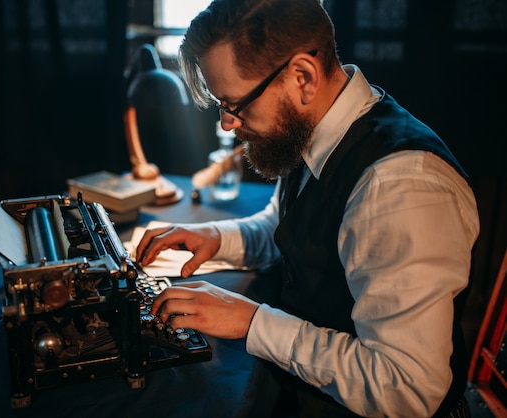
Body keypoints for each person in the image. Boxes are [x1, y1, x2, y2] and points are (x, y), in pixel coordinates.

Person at [135, 0, 480, 416]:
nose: (227, 123)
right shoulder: (311, 127)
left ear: (302, 77)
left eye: (235, 104)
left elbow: (406, 389)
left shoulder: (400, 189)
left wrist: (252, 322)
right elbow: (293, 228)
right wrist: (217, 237)